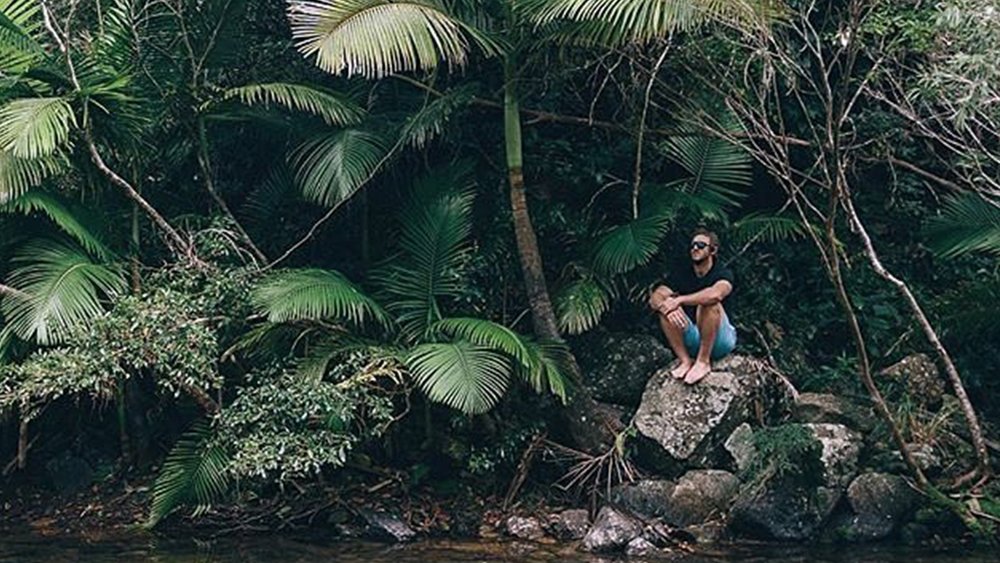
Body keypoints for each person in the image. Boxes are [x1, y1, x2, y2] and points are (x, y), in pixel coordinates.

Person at [648, 228, 737, 384]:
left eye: (701, 245)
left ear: (713, 250)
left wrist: (680, 300)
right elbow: (656, 296)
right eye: (693, 245)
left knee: (707, 303)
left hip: (721, 339)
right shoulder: (682, 273)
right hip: (694, 337)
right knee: (666, 308)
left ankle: (703, 362)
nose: (695, 248)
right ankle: (685, 361)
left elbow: (716, 294)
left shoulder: (723, 273)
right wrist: (665, 308)